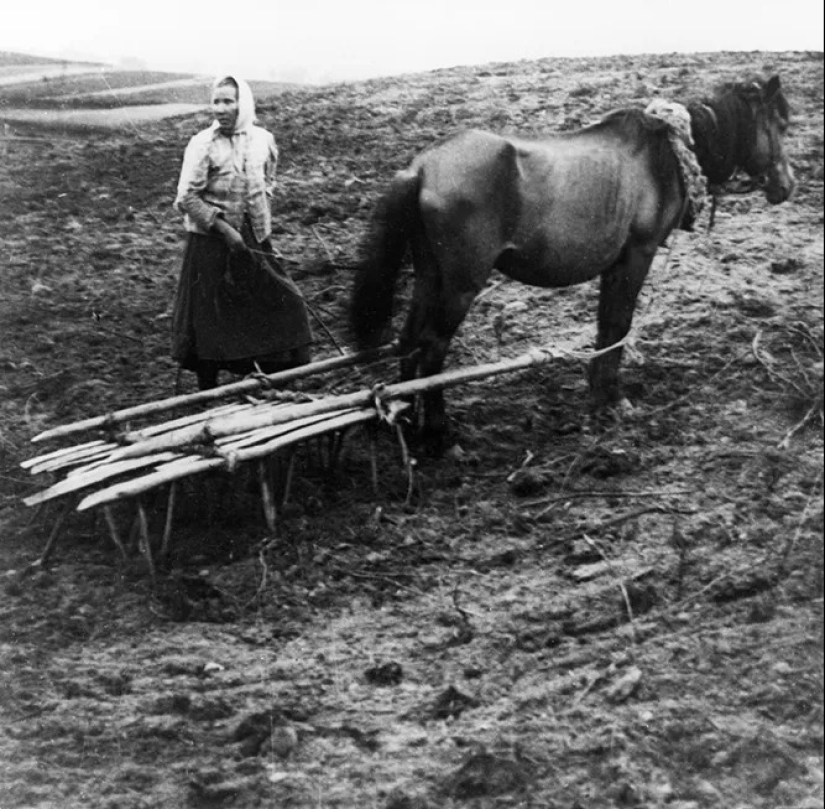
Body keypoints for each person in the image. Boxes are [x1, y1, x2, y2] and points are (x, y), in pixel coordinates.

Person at [171, 74, 312, 390]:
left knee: (286, 302)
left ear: (243, 104)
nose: (220, 108)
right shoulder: (203, 145)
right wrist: (224, 228)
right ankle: (205, 392)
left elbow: (268, 181)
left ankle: (278, 380)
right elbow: (186, 198)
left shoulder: (263, 139)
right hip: (210, 243)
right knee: (211, 319)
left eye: (228, 101)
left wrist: (257, 224)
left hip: (254, 240)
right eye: (216, 101)